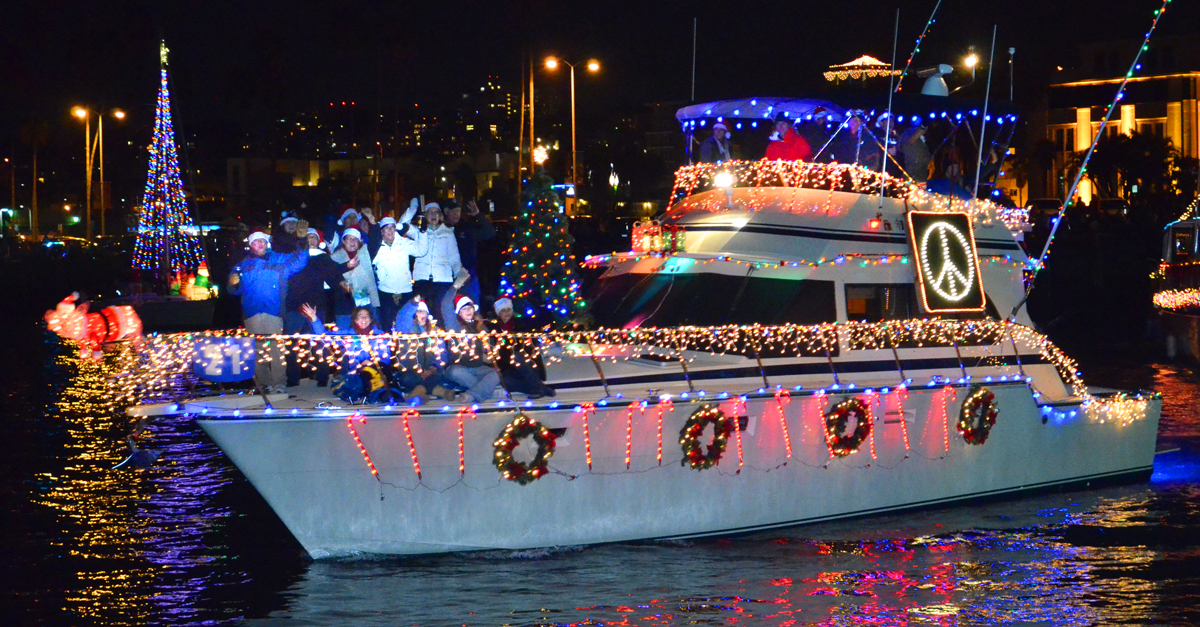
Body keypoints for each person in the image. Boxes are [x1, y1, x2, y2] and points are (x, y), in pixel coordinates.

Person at [227, 231, 309, 393]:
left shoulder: (278, 259)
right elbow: (233, 290)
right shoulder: (242, 265)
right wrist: (234, 284)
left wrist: (302, 241)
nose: (261, 244)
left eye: (263, 242)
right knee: (258, 353)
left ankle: (279, 384)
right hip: (252, 315)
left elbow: (300, 261)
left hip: (274, 314)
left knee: (277, 352)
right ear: (250, 245)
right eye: (257, 242)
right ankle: (264, 384)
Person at [284, 228, 358, 387]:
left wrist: (344, 281)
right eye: (308, 237)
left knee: (320, 343)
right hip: (294, 305)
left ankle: (323, 376)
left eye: (314, 237)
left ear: (319, 241)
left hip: (316, 306)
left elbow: (334, 274)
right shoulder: (294, 255)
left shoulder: (323, 258)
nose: (311, 240)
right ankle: (292, 378)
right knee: (292, 344)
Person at [371, 202, 425, 330]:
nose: (390, 230)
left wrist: (422, 233)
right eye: (386, 228)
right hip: (386, 292)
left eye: (392, 227)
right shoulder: (376, 247)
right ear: (382, 231)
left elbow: (421, 251)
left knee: (406, 324)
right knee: (387, 326)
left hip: (405, 291)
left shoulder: (404, 243)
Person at [490, 297, 556, 398]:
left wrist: (542, 306)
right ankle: (542, 388)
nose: (506, 313)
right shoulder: (495, 329)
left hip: (528, 364)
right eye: (503, 310)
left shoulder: (522, 323)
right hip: (510, 368)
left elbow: (544, 321)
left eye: (508, 310)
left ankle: (536, 389)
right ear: (498, 313)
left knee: (517, 357)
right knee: (505, 382)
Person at [393, 297, 455, 403]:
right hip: (410, 371)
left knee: (437, 376)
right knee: (406, 379)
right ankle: (439, 391)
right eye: (420, 312)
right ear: (414, 314)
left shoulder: (435, 331)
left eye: (425, 312)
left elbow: (442, 354)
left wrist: (432, 368)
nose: (423, 315)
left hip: (431, 372)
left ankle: (418, 392)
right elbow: (402, 316)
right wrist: (413, 302)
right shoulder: (406, 329)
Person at [412, 203, 465, 325]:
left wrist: (460, 275)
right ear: (425, 215)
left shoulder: (448, 233)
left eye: (436, 212)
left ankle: (441, 343)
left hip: (442, 281)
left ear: (440, 215)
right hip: (422, 280)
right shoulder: (419, 233)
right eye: (430, 212)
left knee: (440, 316)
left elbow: (454, 259)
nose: (434, 215)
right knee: (421, 316)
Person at [444, 295, 501, 404]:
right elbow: (446, 306)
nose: (468, 311)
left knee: (498, 373)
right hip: (458, 367)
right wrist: (454, 288)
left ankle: (471, 394)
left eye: (470, 308)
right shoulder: (454, 326)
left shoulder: (481, 327)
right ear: (459, 313)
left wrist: (481, 330)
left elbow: (490, 350)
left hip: (478, 368)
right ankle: (484, 391)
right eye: (464, 309)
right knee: (456, 372)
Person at [444, 200, 495, 306]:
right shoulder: (441, 230)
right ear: (446, 212)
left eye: (458, 211)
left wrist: (478, 215)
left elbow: (489, 232)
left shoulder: (467, 228)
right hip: (447, 280)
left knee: (473, 310)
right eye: (453, 211)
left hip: (469, 279)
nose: (456, 214)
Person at [329, 228, 380, 330]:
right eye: (349, 239)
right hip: (345, 304)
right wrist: (340, 283)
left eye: (355, 239)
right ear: (343, 241)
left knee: (372, 332)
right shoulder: (334, 257)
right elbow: (330, 276)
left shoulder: (365, 252)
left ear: (359, 241)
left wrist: (372, 222)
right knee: (345, 334)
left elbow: (376, 239)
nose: (352, 242)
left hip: (368, 301)